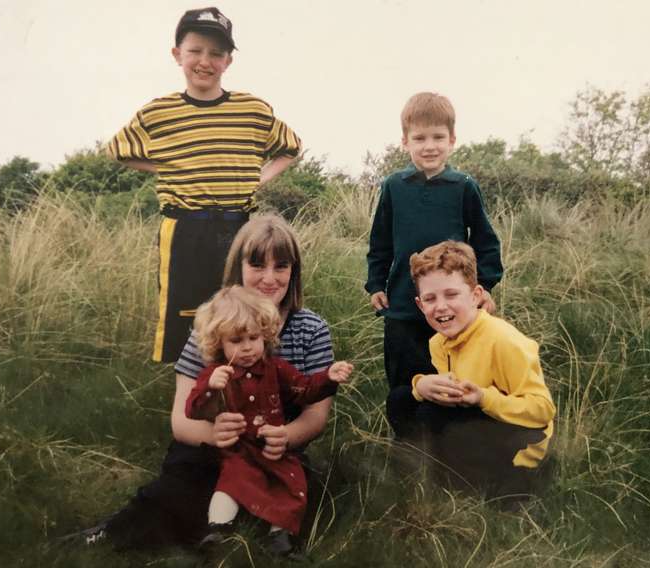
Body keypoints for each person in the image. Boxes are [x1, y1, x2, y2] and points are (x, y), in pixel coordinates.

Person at [79, 214, 337, 550]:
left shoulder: (312, 330)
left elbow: (315, 418)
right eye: (257, 265)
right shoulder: (211, 322)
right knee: (178, 492)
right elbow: (181, 421)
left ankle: (244, 528)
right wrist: (214, 434)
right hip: (213, 449)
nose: (269, 278)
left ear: (294, 271)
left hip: (276, 452)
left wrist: (286, 436)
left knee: (302, 495)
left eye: (281, 266)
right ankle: (109, 535)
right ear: (237, 268)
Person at [107, 6, 301, 363]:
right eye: (195, 50)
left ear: (228, 61)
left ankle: (249, 393)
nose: (204, 61)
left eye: (216, 53)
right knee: (189, 316)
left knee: (245, 314)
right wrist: (171, 167)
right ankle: (192, 398)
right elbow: (118, 150)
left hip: (238, 227)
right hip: (184, 228)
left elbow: (291, 148)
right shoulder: (158, 112)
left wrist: (261, 176)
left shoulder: (252, 109)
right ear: (177, 54)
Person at [364, 91, 503, 428]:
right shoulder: (393, 186)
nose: (429, 146)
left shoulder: (464, 186)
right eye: (420, 138)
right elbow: (380, 242)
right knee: (404, 382)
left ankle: (450, 451)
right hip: (402, 306)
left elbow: (487, 245)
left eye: (438, 137)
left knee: (452, 381)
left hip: (453, 308)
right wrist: (375, 284)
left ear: (452, 140)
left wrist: (480, 288)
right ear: (405, 141)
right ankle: (407, 451)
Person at [184, 286, 352, 554]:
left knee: (291, 484)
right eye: (236, 341)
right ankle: (218, 529)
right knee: (233, 480)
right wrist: (211, 389)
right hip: (238, 449)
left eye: (254, 337)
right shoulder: (216, 373)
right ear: (220, 343)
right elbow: (194, 410)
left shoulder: (276, 368)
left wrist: (328, 377)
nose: (248, 347)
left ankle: (281, 537)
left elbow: (303, 388)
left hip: (272, 448)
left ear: (265, 336)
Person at [388, 241, 555, 497]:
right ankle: (430, 481)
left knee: (440, 422)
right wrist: (421, 386)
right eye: (430, 299)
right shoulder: (438, 342)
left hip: (522, 445)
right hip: (476, 421)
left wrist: (483, 397)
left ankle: (507, 489)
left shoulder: (503, 341)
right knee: (402, 400)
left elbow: (542, 410)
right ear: (420, 306)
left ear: (476, 295)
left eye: (452, 295)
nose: (441, 306)